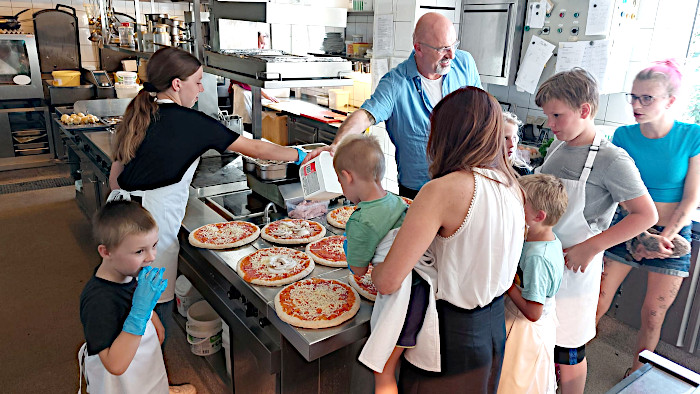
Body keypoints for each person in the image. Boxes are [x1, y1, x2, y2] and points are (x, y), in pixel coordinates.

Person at [109, 47, 305, 339]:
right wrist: (300, 156)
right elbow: (256, 148)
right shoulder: (192, 123)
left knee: (125, 307)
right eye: (198, 81)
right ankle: (151, 381)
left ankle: (138, 377)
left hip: (118, 217)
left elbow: (116, 176)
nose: (201, 88)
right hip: (149, 230)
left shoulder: (139, 111)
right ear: (177, 84)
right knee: (149, 318)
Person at [372, 86, 526, 393]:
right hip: (494, 327)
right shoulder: (513, 186)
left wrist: (373, 265)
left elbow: (387, 281)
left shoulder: (443, 190)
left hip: (451, 336)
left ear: (445, 135)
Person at [535, 68, 658, 394]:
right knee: (540, 345)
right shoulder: (558, 147)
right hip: (541, 264)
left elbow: (646, 215)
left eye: (557, 115)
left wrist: (591, 247)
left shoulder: (612, 160)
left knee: (569, 354)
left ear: (585, 111)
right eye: (548, 116)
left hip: (575, 273)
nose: (551, 125)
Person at [303, 12, 482, 199]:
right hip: (419, 189)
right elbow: (366, 115)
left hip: (463, 180)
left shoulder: (464, 63)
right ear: (418, 48)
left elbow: (483, 112)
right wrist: (336, 145)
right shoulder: (396, 83)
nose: (451, 55)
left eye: (453, 45)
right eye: (443, 48)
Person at [596, 60, 700, 375]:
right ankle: (569, 361)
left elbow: (691, 200)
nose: (636, 105)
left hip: (673, 234)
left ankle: (636, 375)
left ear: (670, 101)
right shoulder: (623, 135)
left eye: (647, 98)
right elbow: (615, 188)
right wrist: (640, 233)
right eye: (633, 97)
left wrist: (659, 240)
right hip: (628, 224)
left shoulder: (692, 135)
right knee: (598, 298)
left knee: (653, 314)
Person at [332, 134, 437, 394]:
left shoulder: (360, 221)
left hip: (401, 298)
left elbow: (358, 270)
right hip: (422, 289)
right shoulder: (396, 200)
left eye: (339, 182)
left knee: (384, 371)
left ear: (347, 177)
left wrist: (349, 246)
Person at [78, 200, 194, 393]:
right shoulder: (98, 301)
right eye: (140, 251)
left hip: (142, 369)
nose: (151, 257)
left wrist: (153, 317)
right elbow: (115, 366)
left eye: (154, 245)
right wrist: (140, 314)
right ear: (106, 252)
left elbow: (133, 295)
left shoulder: (126, 272)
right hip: (121, 381)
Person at [498, 174, 568, 394]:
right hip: (522, 321)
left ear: (539, 216)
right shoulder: (545, 237)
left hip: (524, 330)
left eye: (521, 205)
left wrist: (508, 284)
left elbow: (533, 312)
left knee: (513, 382)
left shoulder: (539, 258)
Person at [230, 31, 279, 133]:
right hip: (242, 94)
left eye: (264, 44)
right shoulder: (245, 58)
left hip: (251, 94)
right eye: (261, 43)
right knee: (245, 127)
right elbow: (249, 81)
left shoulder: (257, 58)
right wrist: (266, 95)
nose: (262, 47)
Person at [502, 111, 532, 176]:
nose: (512, 145)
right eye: (505, 138)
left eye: (514, 138)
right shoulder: (479, 169)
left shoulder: (522, 172)